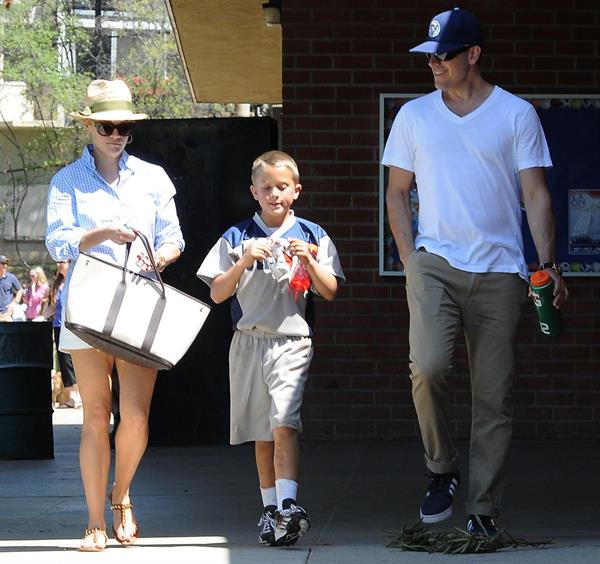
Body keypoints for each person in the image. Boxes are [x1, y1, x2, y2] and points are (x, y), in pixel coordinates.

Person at [382, 7, 569, 537]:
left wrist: (547, 263)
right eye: (430, 56)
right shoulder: (414, 116)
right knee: (430, 367)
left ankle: (483, 510)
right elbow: (397, 192)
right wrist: (410, 259)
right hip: (434, 264)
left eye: (444, 55)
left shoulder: (515, 114)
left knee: (493, 394)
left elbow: (536, 193)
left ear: (474, 55)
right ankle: (441, 469)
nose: (434, 64)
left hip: (502, 271)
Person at [45, 79, 184, 552]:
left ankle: (120, 495)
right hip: (87, 301)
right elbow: (57, 243)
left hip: (139, 299)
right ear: (89, 125)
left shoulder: (153, 177)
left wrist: (157, 258)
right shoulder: (66, 181)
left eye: (125, 126)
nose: (117, 134)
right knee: (95, 415)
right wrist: (100, 231)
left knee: (137, 417)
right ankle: (92, 520)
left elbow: (174, 238)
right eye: (107, 125)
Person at [197, 150, 344, 547]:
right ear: (254, 192)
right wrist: (243, 262)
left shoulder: (312, 235)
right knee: (262, 431)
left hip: (292, 340)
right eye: (267, 188)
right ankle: (270, 511)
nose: (274, 194)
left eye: (282, 187)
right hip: (248, 340)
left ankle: (290, 505)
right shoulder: (237, 236)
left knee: (284, 420)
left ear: (295, 190)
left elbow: (330, 291)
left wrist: (309, 264)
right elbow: (216, 292)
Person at [43, 261, 80, 408]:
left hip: (72, 325)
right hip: (58, 326)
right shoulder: (57, 285)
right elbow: (52, 307)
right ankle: (71, 396)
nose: (59, 264)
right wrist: (41, 317)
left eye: (63, 262)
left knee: (75, 360)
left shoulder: (75, 279)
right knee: (64, 361)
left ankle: (77, 396)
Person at [0, 255, 22, 322]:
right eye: (3, 263)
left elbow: (20, 290)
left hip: (6, 314)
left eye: (6, 264)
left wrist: (14, 303)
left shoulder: (11, 277)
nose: (5, 266)